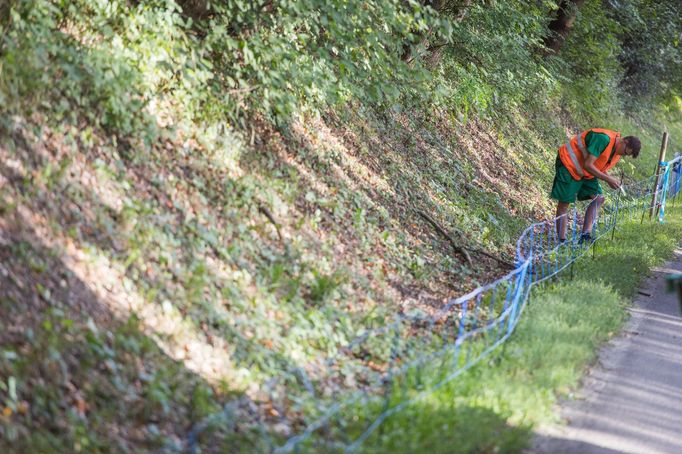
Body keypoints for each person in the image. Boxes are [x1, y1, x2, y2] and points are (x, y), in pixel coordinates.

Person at [551, 128, 641, 243]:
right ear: (625, 141)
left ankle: (585, 236)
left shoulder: (616, 151)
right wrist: (608, 178)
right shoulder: (603, 139)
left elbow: (599, 165)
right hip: (569, 164)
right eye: (625, 152)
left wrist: (608, 179)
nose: (623, 155)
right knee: (564, 203)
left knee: (599, 198)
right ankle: (561, 241)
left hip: (585, 172)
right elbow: (589, 165)